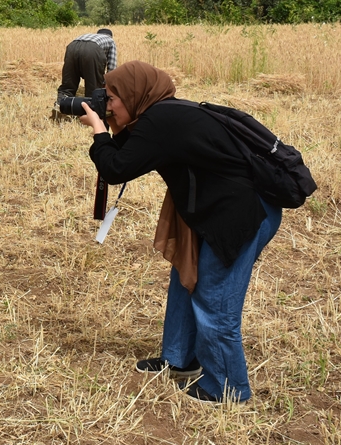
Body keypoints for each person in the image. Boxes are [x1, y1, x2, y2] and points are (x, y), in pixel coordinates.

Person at [80, 60, 282, 404]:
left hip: (243, 212)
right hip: (219, 208)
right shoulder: (160, 115)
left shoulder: (161, 121)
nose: (108, 105)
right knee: (186, 278)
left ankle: (228, 390)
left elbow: (116, 168)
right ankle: (180, 360)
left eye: (113, 98)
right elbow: (126, 153)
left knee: (214, 298)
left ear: (134, 94)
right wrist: (107, 126)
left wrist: (99, 129)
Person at [59, 28, 117, 99]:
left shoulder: (90, 36)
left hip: (72, 46)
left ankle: (61, 103)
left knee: (68, 83)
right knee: (93, 87)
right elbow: (112, 67)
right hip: (91, 49)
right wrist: (106, 83)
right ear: (110, 36)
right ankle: (91, 106)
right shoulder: (110, 40)